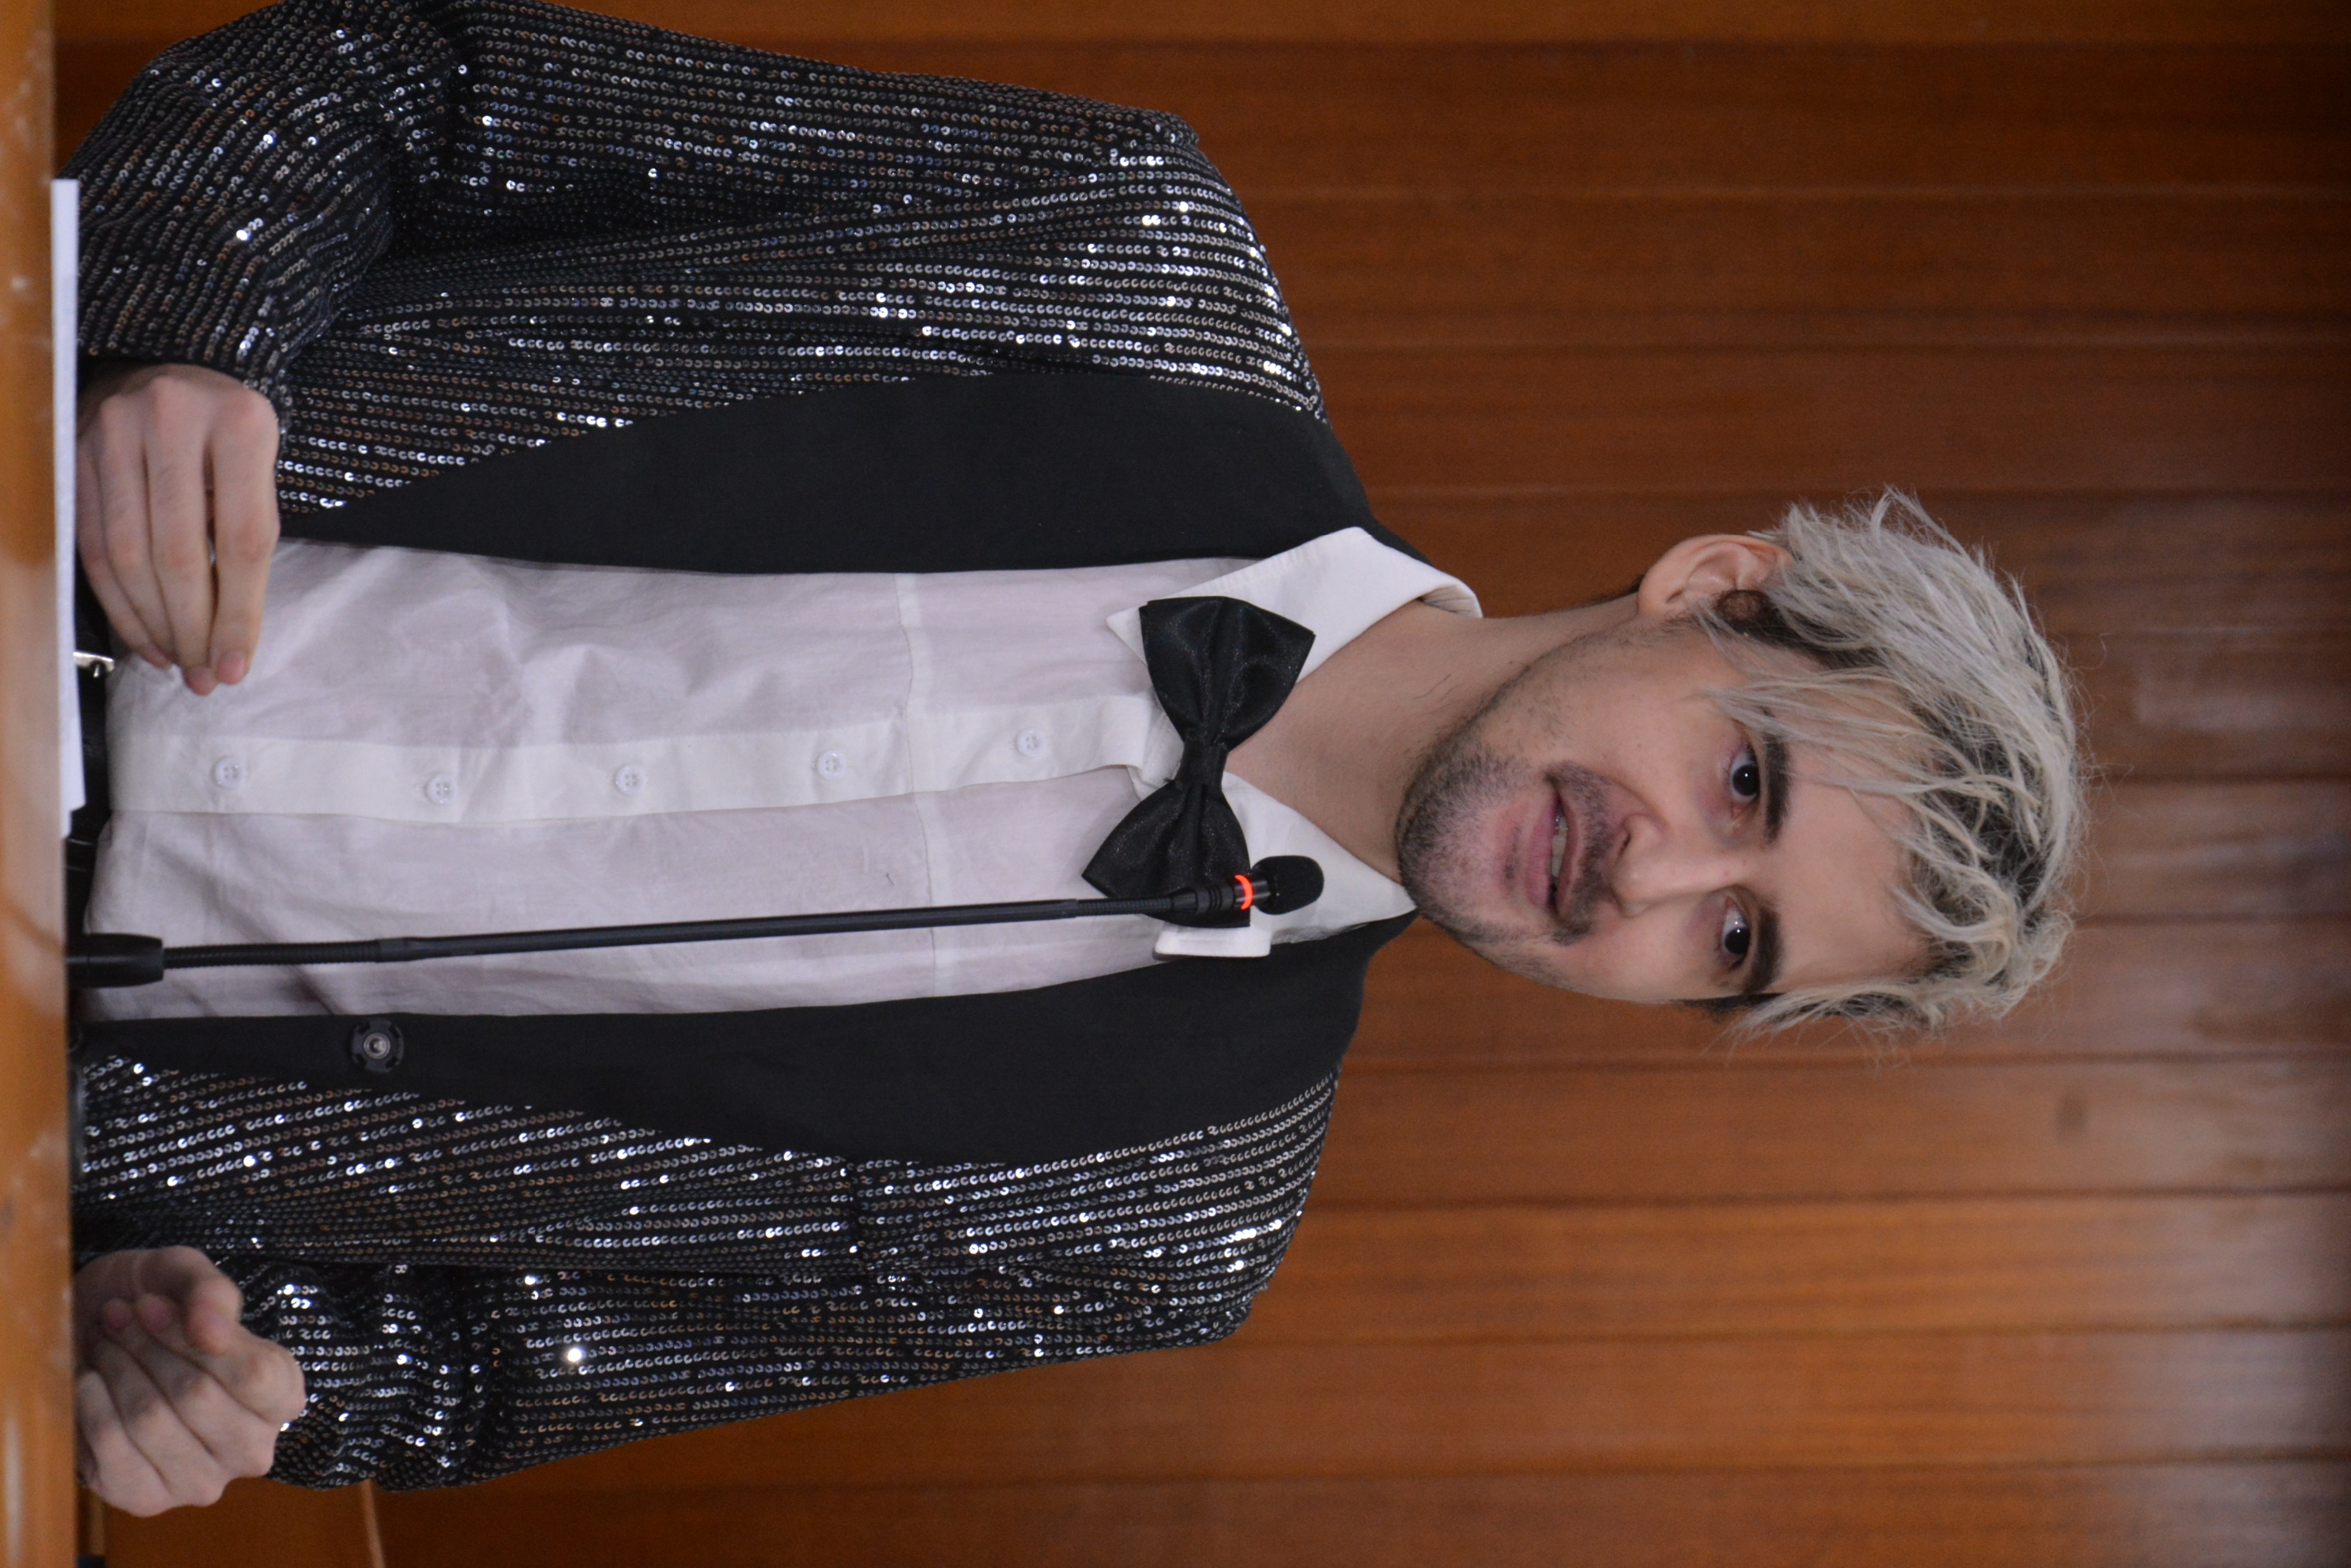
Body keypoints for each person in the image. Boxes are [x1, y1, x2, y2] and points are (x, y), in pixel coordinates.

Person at [59, 0, 2086, 1516]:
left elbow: (475, 1372)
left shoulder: (1176, 1221)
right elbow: (410, 85)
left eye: (1735, 944)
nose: (1654, 880)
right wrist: (190, 338)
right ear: (1713, 589)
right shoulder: (1126, 246)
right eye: (1747, 788)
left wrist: (220, 1376)